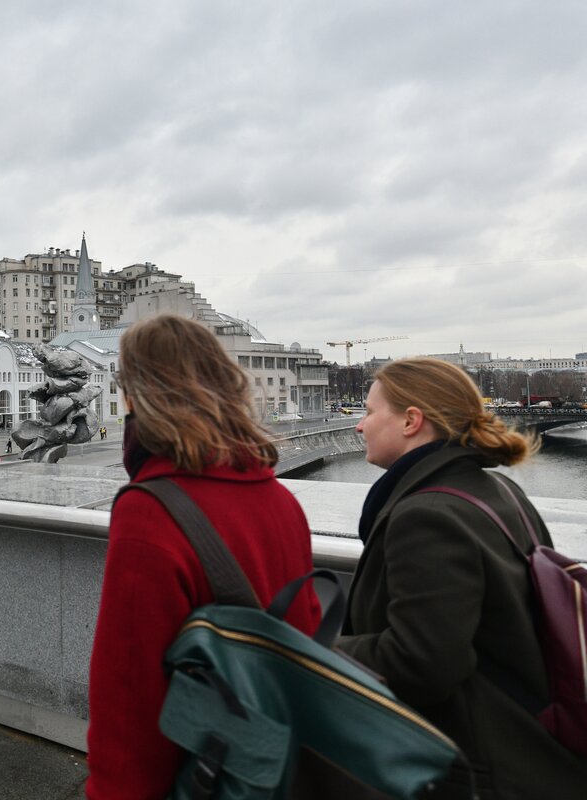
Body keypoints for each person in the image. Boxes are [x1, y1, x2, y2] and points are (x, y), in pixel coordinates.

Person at [87, 314, 320, 799]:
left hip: (207, 775)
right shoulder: (282, 500)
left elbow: (129, 706)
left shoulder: (150, 511)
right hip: (276, 767)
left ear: (139, 395)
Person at [337, 358, 586, 798]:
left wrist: (314, 648)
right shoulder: (498, 490)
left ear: (412, 421)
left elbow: (421, 664)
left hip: (470, 770)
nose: (360, 426)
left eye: (370, 412)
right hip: (529, 747)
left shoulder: (426, 516)